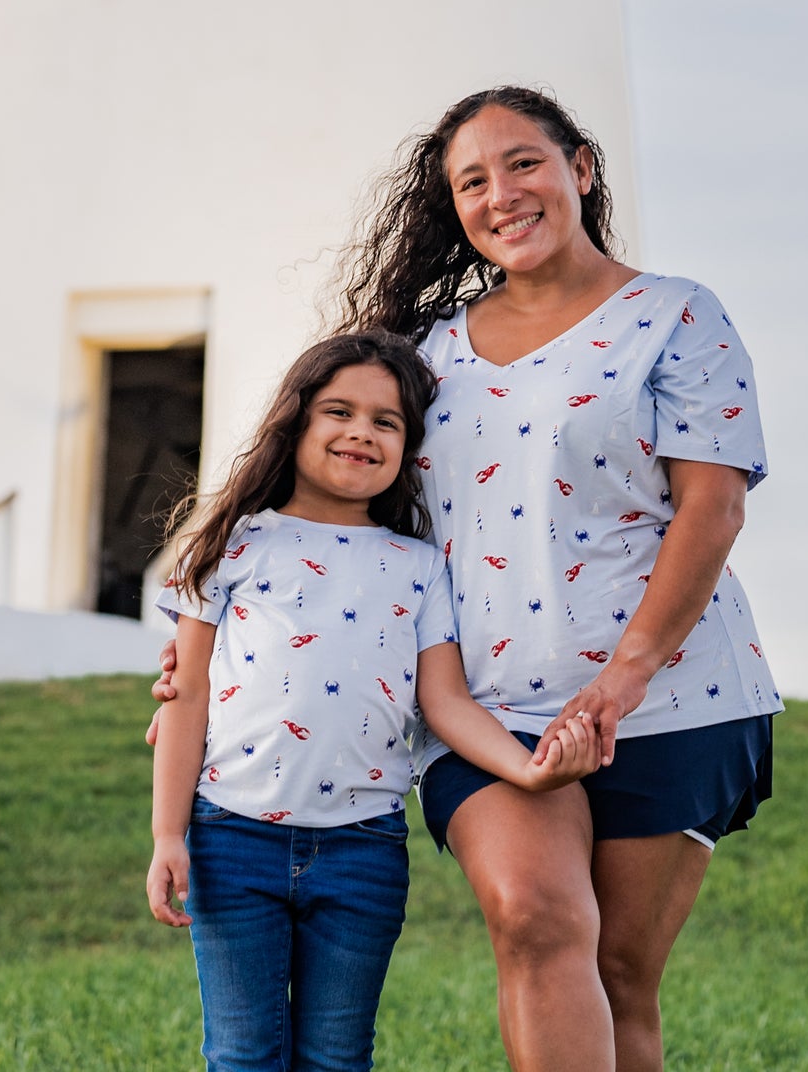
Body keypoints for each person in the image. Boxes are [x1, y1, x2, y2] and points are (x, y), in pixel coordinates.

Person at [155, 88, 780, 1072]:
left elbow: (714, 509)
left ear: (579, 167)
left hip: (671, 696)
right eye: (472, 181)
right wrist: (223, 645)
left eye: (523, 163)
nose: (502, 194)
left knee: (621, 974)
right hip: (483, 707)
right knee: (535, 920)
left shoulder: (676, 317)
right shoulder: (428, 354)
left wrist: (618, 684)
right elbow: (349, 511)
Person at [147, 329, 603, 1072]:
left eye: (386, 422)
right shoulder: (234, 542)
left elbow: (446, 703)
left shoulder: (420, 567)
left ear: (408, 448)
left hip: (362, 850)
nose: (361, 431)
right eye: (339, 411)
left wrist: (526, 772)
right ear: (295, 422)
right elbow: (187, 696)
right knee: (242, 1055)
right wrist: (170, 836)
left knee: (337, 1059)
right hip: (231, 839)